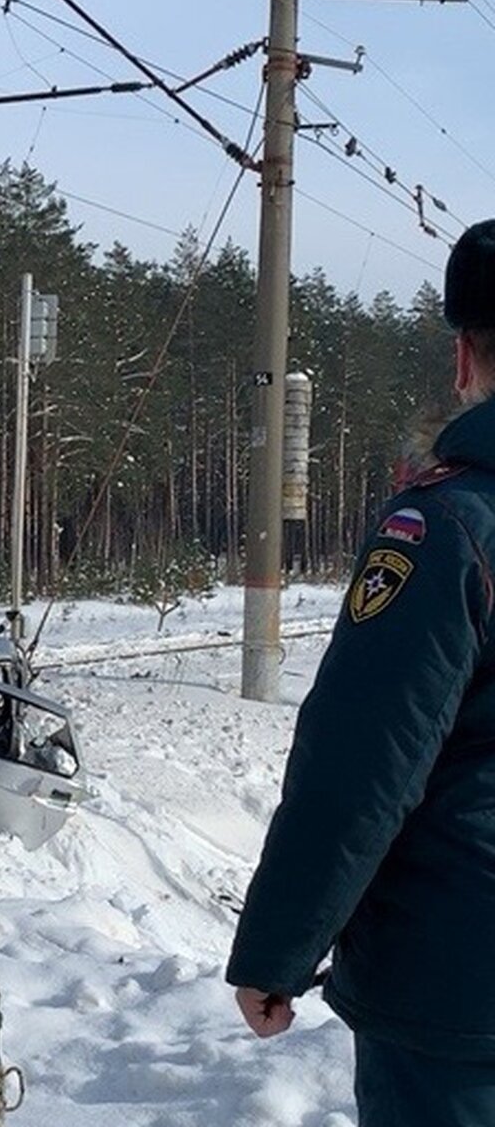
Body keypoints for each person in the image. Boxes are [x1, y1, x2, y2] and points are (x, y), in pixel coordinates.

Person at [227, 219, 495, 1126]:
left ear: (465, 357)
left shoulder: (447, 527)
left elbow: (365, 761)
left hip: (461, 994)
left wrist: (278, 946)